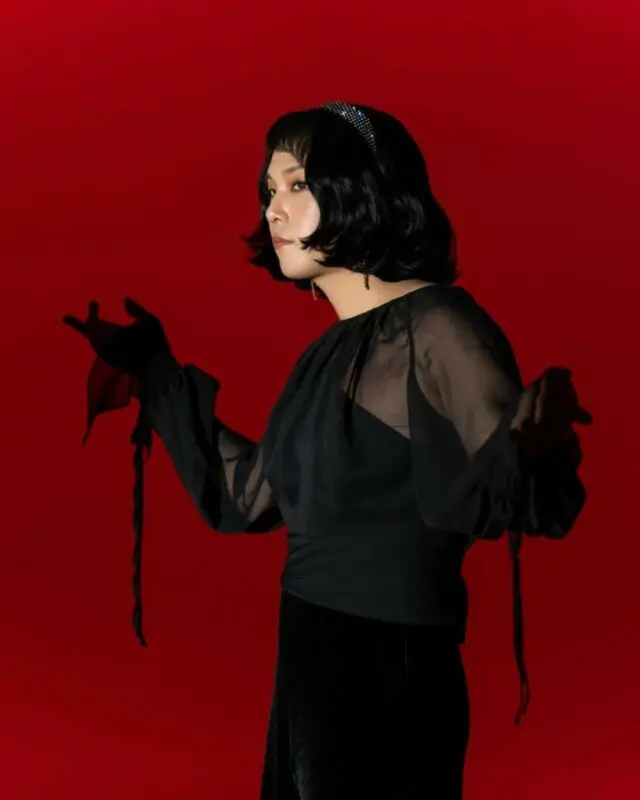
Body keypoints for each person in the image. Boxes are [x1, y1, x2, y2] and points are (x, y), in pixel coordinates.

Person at [63, 101, 591, 799]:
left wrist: (535, 441)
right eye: (268, 189)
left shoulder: (439, 327)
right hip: (308, 672)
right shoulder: (323, 356)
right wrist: (157, 371)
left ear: (361, 189)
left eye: (296, 184)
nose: (273, 209)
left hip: (389, 680)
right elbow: (247, 496)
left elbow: (503, 485)